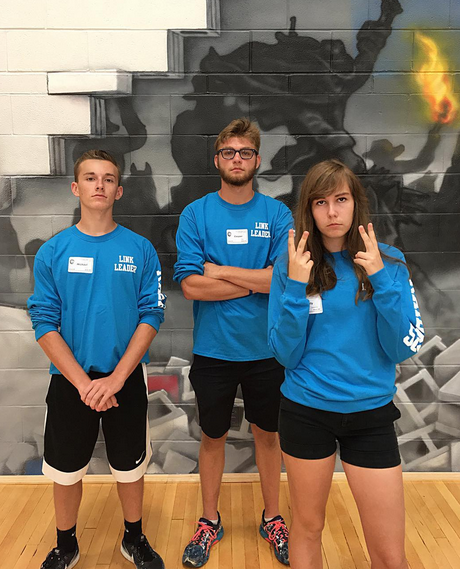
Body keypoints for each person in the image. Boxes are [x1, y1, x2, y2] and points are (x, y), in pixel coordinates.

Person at [268, 159, 424, 569]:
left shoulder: (388, 261)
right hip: (306, 413)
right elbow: (285, 354)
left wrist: (381, 280)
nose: (332, 212)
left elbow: (403, 346)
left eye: (341, 200)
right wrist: (297, 289)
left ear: (356, 205)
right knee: (307, 529)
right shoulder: (292, 267)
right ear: (309, 210)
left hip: (370, 417)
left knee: (390, 555)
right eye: (321, 202)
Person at [28, 150, 166, 569]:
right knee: (65, 471)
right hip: (72, 383)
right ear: (76, 188)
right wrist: (84, 383)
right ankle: (65, 544)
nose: (99, 184)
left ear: (119, 190)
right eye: (90, 178)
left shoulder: (141, 249)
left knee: (130, 467)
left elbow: (152, 313)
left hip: (124, 380)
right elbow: (44, 322)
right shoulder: (53, 251)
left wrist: (117, 378)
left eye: (108, 178)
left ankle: (133, 539)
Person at [174, 118, 293, 567]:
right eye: (229, 152)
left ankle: (273, 518)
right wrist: (255, 283)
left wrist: (219, 270)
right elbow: (189, 286)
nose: (237, 159)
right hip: (214, 352)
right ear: (217, 159)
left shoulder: (277, 215)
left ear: (257, 160)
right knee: (212, 437)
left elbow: (281, 281)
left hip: (267, 351)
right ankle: (210, 522)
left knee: (268, 436)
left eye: (245, 152)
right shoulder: (196, 214)